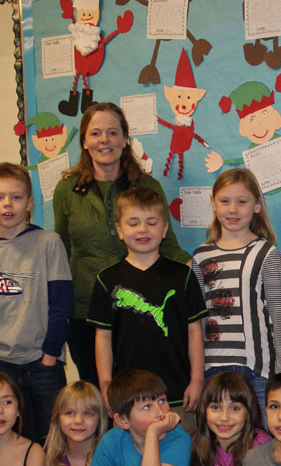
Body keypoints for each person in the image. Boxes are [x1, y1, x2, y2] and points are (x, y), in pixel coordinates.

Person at [54, 102, 190, 386]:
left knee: (139, 392)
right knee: (96, 392)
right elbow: (61, 253)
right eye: (96, 133)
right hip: (85, 312)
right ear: (84, 141)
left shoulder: (147, 186)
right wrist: (59, 311)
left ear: (125, 139)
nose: (104, 140)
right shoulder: (67, 189)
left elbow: (170, 246)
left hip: (135, 308)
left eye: (113, 132)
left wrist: (201, 267)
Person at [0, 162, 72, 443]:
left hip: (43, 363)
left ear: (30, 203)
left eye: (16, 197)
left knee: (52, 440)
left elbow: (62, 306)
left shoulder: (48, 243)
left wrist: (50, 353)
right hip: (0, 364)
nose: (7, 204)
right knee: (10, 440)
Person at [87, 185, 206, 428]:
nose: (143, 230)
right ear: (120, 230)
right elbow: (103, 338)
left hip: (176, 395)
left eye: (151, 222)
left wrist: (197, 380)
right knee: (132, 462)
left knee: (180, 460)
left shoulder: (182, 276)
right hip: (127, 397)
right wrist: (106, 383)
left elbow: (195, 331)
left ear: (164, 229)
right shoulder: (106, 280)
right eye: (133, 223)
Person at [191, 168, 281, 411]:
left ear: (256, 205)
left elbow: (278, 314)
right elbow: (197, 320)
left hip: (257, 371)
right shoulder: (201, 256)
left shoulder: (266, 253)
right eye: (225, 201)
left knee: (264, 438)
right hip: (212, 369)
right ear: (213, 204)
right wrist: (195, 371)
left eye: (241, 202)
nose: (233, 209)